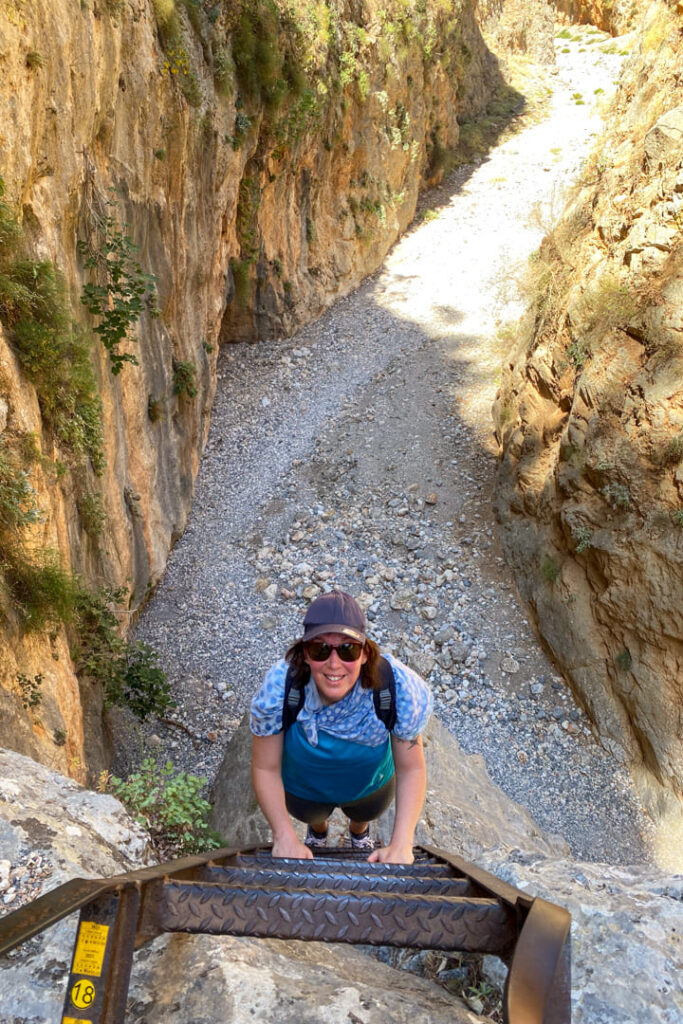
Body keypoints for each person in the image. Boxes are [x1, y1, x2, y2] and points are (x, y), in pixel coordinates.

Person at [250, 589, 433, 864]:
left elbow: (412, 767)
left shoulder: (396, 690)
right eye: (320, 649)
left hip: (370, 788)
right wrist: (284, 836)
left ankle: (358, 833)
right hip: (304, 791)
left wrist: (401, 845)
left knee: (362, 816)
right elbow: (265, 766)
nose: (334, 664)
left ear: (364, 653)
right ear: (305, 654)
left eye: (347, 649)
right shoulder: (280, 689)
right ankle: (318, 830)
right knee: (315, 817)